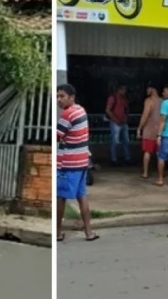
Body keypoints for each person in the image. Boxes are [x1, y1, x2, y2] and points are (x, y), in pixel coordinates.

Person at [56, 83, 99, 242]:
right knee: (82, 196)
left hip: (68, 163)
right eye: (57, 96)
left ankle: (58, 233)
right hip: (82, 162)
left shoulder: (67, 115)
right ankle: (89, 232)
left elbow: (57, 136)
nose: (59, 100)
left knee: (61, 197)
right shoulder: (81, 110)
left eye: (62, 96)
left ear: (71, 97)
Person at [137, 82, 162, 179]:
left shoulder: (149, 101)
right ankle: (161, 173)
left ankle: (145, 173)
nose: (147, 91)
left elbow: (145, 115)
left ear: (153, 89)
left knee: (147, 152)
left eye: (148, 88)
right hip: (159, 130)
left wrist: (140, 127)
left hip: (149, 130)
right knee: (159, 153)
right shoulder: (162, 101)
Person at [105, 85, 131, 166]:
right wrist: (116, 120)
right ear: (119, 90)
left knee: (126, 141)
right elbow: (108, 110)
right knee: (115, 141)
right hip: (115, 122)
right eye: (123, 90)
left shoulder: (124, 99)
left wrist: (125, 118)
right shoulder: (113, 98)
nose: (124, 91)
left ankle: (127, 159)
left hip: (123, 122)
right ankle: (114, 160)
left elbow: (126, 109)